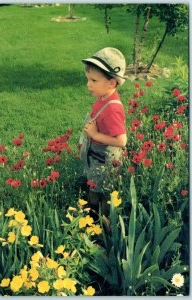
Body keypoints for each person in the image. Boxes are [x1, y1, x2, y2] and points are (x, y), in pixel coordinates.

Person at [81, 47, 127, 220]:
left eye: (93, 80)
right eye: (88, 79)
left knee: (105, 193)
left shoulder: (113, 108)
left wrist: (94, 135)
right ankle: (92, 216)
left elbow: (122, 141)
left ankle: (104, 225)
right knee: (94, 186)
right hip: (97, 157)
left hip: (106, 161)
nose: (88, 84)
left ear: (111, 83)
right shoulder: (103, 98)